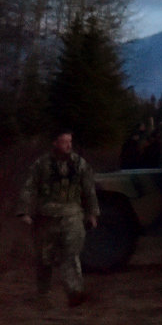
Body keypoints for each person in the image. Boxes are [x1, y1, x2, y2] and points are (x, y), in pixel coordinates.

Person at [16, 129, 100, 308]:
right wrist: (24, 211)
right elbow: (29, 187)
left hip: (72, 216)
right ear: (55, 143)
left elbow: (89, 189)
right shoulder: (41, 164)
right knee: (44, 258)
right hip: (46, 218)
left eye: (70, 141)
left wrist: (92, 213)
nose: (69, 145)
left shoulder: (79, 164)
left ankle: (75, 293)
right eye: (64, 142)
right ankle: (43, 296)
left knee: (71, 255)